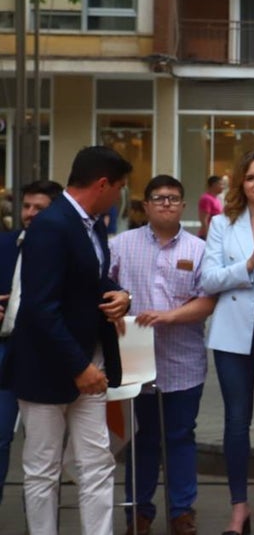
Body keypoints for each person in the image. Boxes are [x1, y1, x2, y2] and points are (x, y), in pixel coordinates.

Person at [1, 147, 133, 535]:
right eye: (120, 188)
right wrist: (79, 367)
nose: (120, 197)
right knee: (43, 468)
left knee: (97, 463)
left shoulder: (92, 224)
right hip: (46, 367)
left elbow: (89, 279)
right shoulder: (50, 225)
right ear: (103, 184)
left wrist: (121, 294)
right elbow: (40, 307)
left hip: (91, 361)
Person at [109, 175, 215, 535]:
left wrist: (169, 317)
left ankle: (181, 512)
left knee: (181, 437)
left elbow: (207, 301)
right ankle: (138, 513)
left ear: (183, 206)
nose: (166, 203)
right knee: (141, 441)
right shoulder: (121, 245)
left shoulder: (199, 249)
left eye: (173, 198)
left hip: (183, 362)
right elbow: (103, 289)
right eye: (158, 198)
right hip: (133, 365)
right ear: (146, 205)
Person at [201, 150, 254, 535]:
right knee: (237, 423)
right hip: (231, 335)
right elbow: (208, 279)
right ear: (241, 183)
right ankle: (239, 508)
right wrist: (249, 263)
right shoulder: (223, 223)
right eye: (251, 177)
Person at [0, 179, 63, 505]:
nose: (30, 213)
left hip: (46, 355)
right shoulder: (4, 245)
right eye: (26, 206)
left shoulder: (65, 251)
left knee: (43, 447)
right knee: (0, 436)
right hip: (5, 349)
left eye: (40, 208)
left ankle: (38, 520)